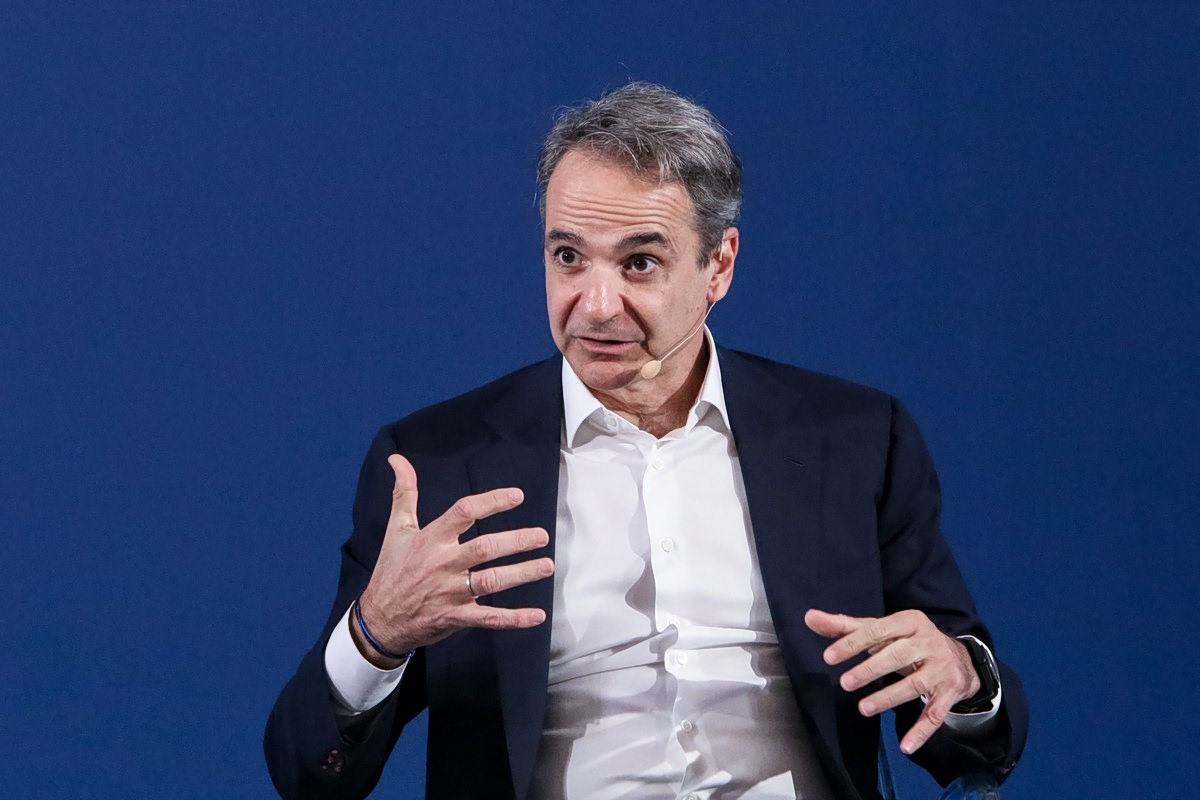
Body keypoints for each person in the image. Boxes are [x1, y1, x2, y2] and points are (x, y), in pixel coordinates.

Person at [264, 82, 1027, 800]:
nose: (596, 305)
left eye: (639, 263)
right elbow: (308, 773)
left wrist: (962, 677)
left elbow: (970, 740)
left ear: (718, 265)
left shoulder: (853, 439)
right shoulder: (438, 465)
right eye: (568, 256)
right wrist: (375, 636)